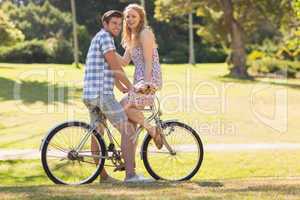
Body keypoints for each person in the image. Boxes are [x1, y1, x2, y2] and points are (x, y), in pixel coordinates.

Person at [83, 10, 151, 183]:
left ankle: (103, 177)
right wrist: (131, 88)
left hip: (91, 94)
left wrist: (121, 87)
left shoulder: (99, 37)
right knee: (128, 130)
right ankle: (130, 175)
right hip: (102, 95)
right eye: (114, 23)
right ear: (105, 24)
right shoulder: (105, 38)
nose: (117, 27)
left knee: (97, 133)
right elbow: (115, 67)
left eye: (119, 24)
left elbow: (107, 68)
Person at [117, 4, 163, 149]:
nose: (130, 19)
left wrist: (147, 84)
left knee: (125, 107)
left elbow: (149, 61)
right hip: (139, 80)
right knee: (129, 119)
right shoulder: (131, 37)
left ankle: (152, 130)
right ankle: (131, 164)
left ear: (141, 18)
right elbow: (124, 62)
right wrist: (109, 52)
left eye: (133, 16)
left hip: (149, 78)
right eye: (127, 17)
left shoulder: (145, 33)